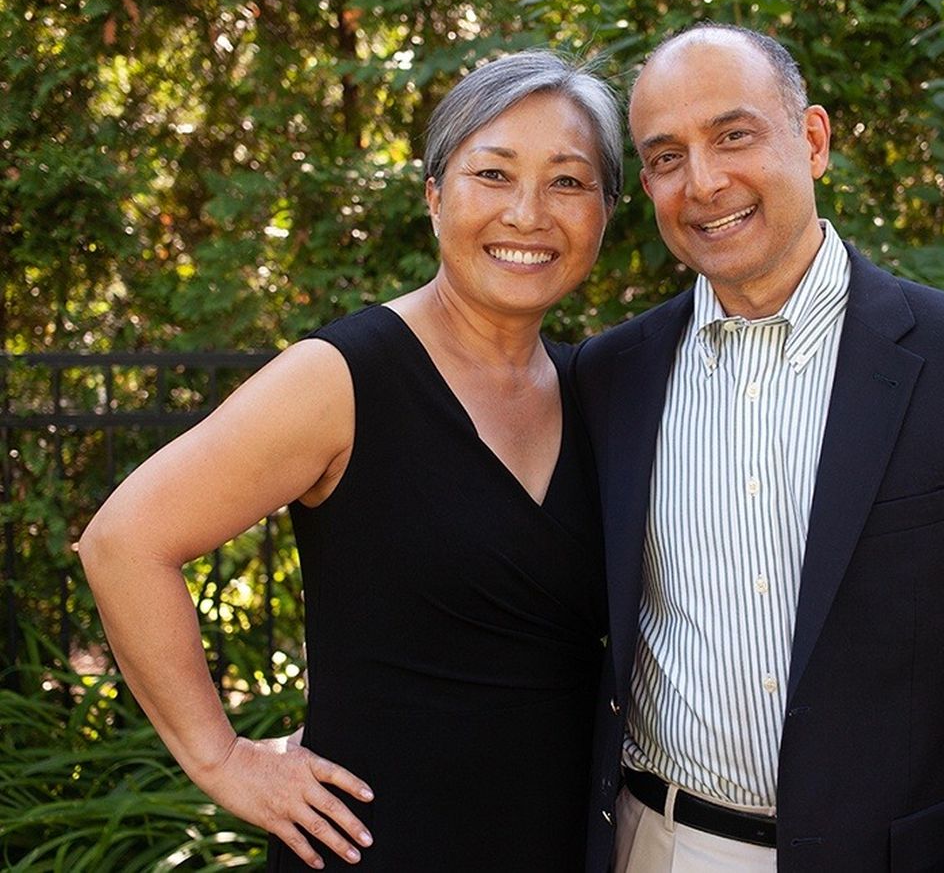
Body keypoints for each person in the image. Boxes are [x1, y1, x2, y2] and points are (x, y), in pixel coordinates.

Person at [80, 50, 621, 871]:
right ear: (434, 196)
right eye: (493, 173)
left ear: (606, 210)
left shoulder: (593, 392)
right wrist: (221, 760)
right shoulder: (342, 378)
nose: (527, 213)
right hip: (374, 846)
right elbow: (124, 542)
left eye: (568, 182)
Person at [573, 24, 944, 871]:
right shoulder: (610, 377)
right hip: (654, 844)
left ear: (812, 141)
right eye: (666, 157)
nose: (704, 182)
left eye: (733, 135)